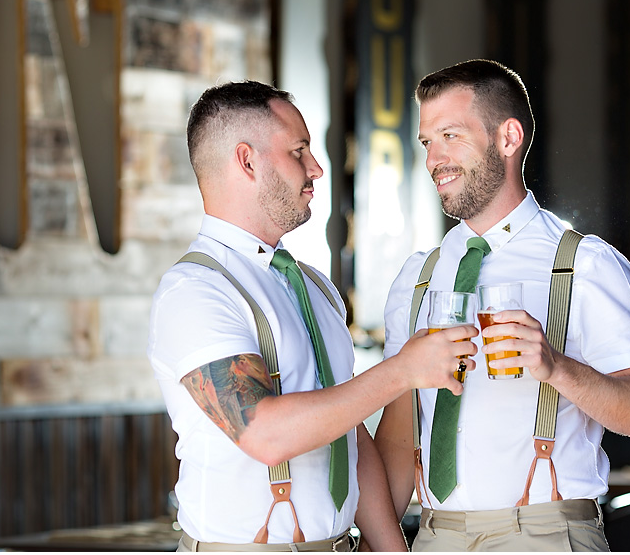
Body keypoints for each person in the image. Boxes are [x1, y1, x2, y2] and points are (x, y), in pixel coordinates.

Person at [147, 80, 479, 552]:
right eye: (299, 151)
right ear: (247, 161)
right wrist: (404, 370)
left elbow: (347, 432)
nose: (317, 169)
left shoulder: (315, 287)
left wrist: (389, 548)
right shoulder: (194, 290)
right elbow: (263, 433)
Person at [374, 59, 630, 551]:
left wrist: (555, 366)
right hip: (433, 536)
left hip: (545, 534)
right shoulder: (416, 277)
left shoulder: (585, 264)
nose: (434, 159)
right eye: (427, 142)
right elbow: (399, 430)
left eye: (450, 135)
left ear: (508, 138)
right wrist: (382, 543)